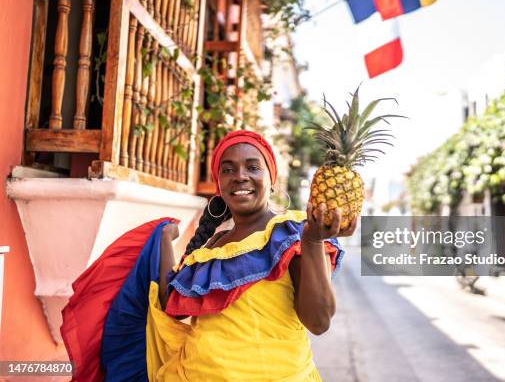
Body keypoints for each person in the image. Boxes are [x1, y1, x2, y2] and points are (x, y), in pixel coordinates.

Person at [61, 130, 355, 382]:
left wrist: (313, 241)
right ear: (218, 184)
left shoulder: (290, 235)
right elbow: (173, 305)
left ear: (271, 178)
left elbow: (319, 322)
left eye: (252, 167)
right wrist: (164, 242)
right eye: (227, 169)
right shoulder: (212, 246)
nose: (240, 176)